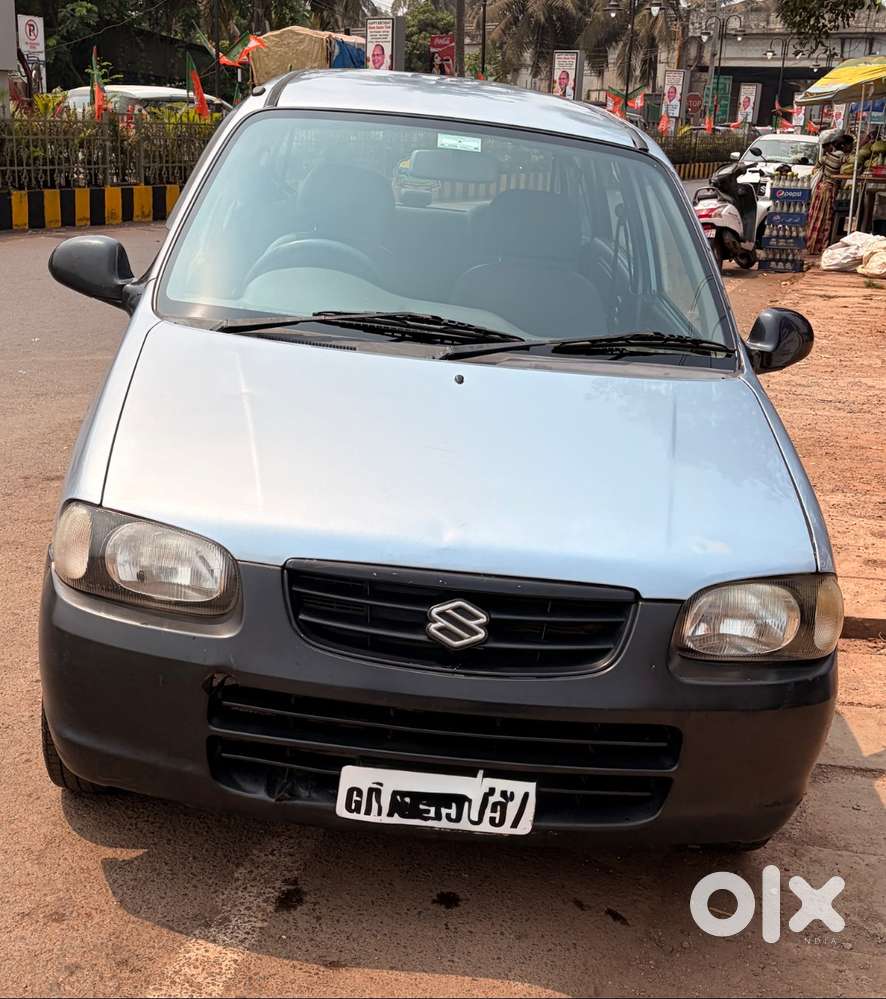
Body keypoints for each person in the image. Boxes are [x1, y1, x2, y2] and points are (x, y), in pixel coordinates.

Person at [807, 130, 853, 255]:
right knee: (826, 218)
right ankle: (822, 246)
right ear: (844, 146)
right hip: (829, 190)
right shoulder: (843, 157)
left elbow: (815, 169)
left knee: (816, 217)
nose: (852, 147)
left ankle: (812, 244)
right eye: (850, 145)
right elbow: (851, 167)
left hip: (820, 189)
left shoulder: (826, 157)